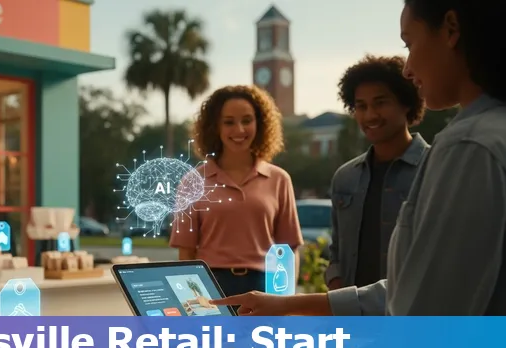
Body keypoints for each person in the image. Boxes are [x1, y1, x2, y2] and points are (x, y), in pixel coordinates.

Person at [211, 0, 506, 316]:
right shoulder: (349, 175)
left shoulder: (466, 146)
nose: (408, 68)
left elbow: (425, 307)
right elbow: (409, 288)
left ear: (450, 29)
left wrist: (290, 305)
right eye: (361, 106)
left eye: (410, 43)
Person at [169, 85, 303, 297]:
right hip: (210, 287)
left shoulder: (279, 179)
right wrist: (191, 301)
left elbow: (289, 248)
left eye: (247, 120)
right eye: (229, 122)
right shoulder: (192, 182)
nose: (239, 130)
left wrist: (286, 298)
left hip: (265, 287)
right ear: (215, 127)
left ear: (260, 124)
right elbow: (186, 253)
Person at [327, 55, 430, 290]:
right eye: (361, 106)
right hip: (353, 308)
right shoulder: (345, 177)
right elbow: (337, 250)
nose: (370, 115)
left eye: (380, 103)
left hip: (414, 306)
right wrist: (335, 282)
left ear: (406, 103)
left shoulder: (436, 168)